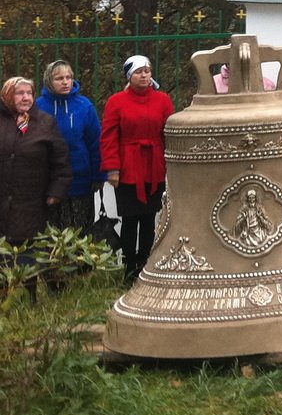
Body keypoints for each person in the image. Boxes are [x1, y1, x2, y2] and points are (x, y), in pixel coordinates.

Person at [101, 55, 175, 282]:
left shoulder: (163, 100)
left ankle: (144, 264)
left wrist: (170, 165)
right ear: (129, 76)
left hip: (153, 167)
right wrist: (112, 168)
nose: (144, 75)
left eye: (147, 71)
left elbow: (169, 133)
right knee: (130, 219)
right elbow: (109, 137)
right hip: (128, 168)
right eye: (138, 72)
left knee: (148, 219)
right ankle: (129, 267)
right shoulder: (116, 102)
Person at [0, 77, 72, 299]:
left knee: (30, 249)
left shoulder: (45, 122)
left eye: (29, 93)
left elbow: (61, 161)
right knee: (5, 248)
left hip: (34, 200)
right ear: (7, 96)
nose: (25, 98)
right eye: (19, 93)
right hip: (4, 198)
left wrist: (56, 192)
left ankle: (31, 296)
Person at [36, 60, 104, 232]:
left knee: (80, 232)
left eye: (69, 77)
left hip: (80, 180)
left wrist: (99, 176)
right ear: (49, 81)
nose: (65, 82)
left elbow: (95, 143)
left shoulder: (84, 106)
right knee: (51, 234)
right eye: (59, 78)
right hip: (48, 181)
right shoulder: (38, 107)